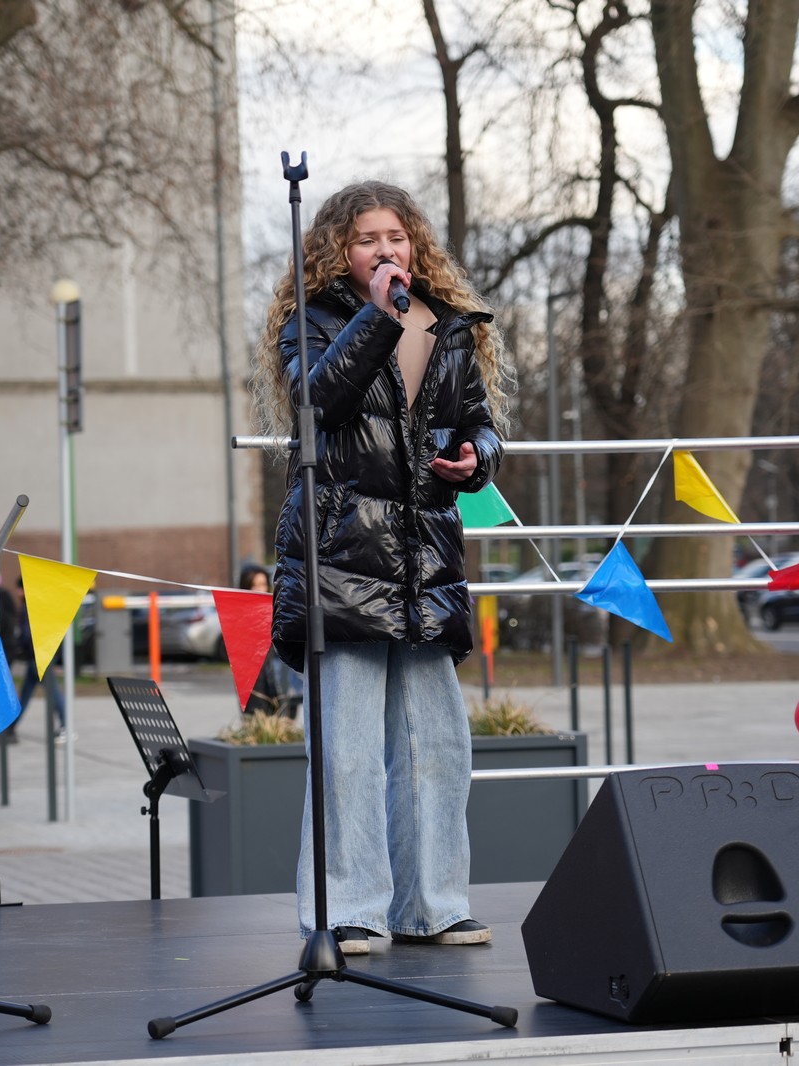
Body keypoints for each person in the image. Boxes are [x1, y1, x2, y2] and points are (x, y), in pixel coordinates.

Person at [251, 180, 511, 955]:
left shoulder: (451, 326)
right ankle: (348, 911)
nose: (386, 250)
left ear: (414, 244)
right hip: (340, 555)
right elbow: (316, 403)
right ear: (341, 250)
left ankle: (431, 905)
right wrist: (378, 316)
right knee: (349, 750)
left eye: (396, 237)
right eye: (368, 239)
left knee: (437, 743)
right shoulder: (314, 322)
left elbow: (477, 424)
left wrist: (477, 460)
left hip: (424, 556)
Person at [239, 563, 302, 718]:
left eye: (262, 584)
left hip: (280, 677)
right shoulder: (241, 617)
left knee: (285, 715)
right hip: (254, 680)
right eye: (253, 585)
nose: (259, 589)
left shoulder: (278, 610)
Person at [9, 577, 67, 743]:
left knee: (52, 694)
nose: (18, 593)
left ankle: (66, 727)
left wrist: (20, 646)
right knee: (26, 694)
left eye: (19, 589)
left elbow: (28, 635)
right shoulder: (41, 606)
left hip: (38, 658)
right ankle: (11, 727)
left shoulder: (28, 608)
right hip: (41, 656)